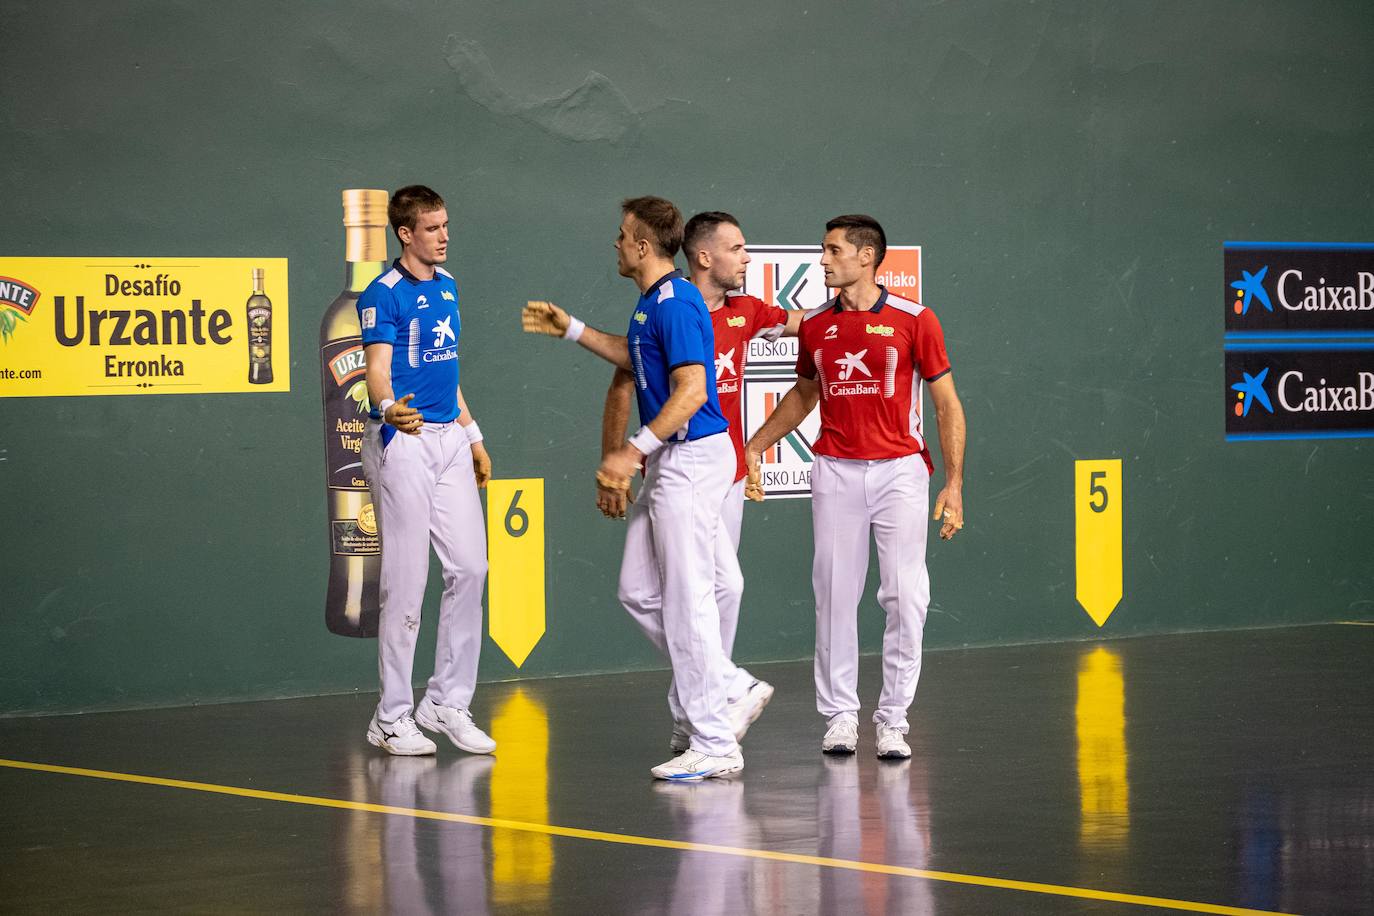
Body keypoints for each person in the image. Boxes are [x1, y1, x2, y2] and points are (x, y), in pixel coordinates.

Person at [522, 210, 800, 757]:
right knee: (641, 591)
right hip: (677, 460)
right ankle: (722, 687)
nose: (616, 243)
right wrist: (572, 329)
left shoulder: (674, 302)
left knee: (692, 598)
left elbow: (692, 391)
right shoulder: (654, 302)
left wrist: (631, 452)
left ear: (645, 245)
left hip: (691, 458)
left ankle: (713, 737)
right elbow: (633, 360)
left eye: (623, 236)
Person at [744, 214, 967, 760]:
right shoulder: (817, 325)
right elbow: (804, 394)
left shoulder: (916, 320)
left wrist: (955, 483)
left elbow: (946, 404)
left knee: (906, 597)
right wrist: (755, 445)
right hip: (835, 471)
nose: (822, 260)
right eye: (823, 250)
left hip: (901, 472)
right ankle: (840, 715)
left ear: (867, 257)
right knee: (834, 595)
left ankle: (893, 719)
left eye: (833, 250)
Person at [356, 184, 495, 757]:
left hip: (449, 441)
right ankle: (391, 716)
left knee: (471, 568)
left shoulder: (449, 286)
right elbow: (376, 369)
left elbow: (446, 369)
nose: (444, 236)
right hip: (403, 440)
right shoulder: (382, 294)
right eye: (433, 228)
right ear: (405, 233)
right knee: (406, 584)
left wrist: (473, 434)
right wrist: (388, 407)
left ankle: (445, 702)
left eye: (446, 225)